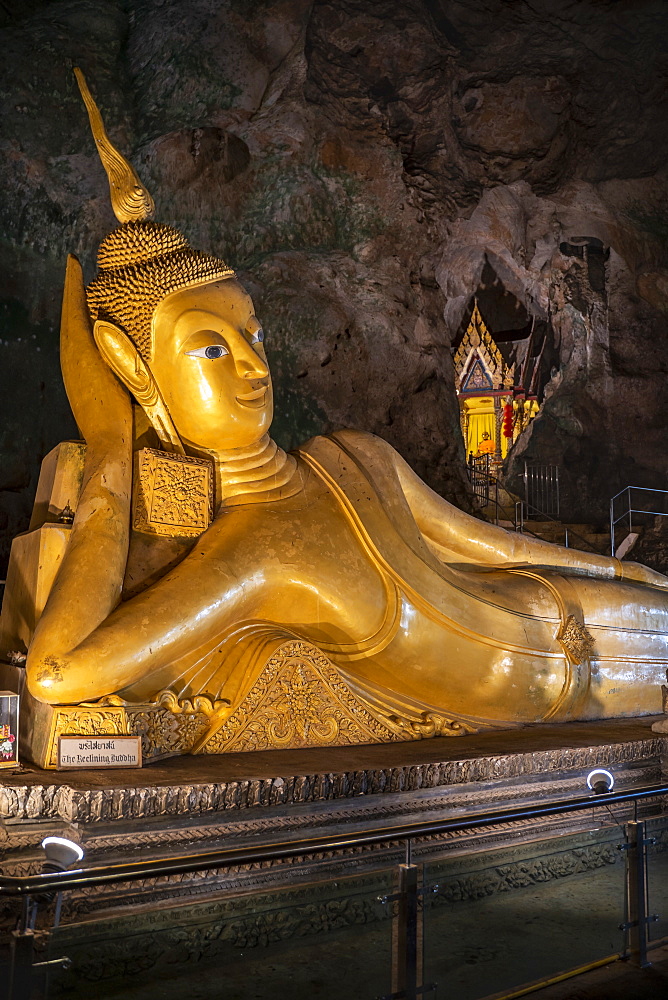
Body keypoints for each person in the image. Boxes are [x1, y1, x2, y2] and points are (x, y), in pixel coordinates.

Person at [21, 73, 668, 736]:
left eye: (255, 335)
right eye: (211, 351)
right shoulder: (252, 553)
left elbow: (492, 547)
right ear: (137, 369)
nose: (252, 365)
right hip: (540, 691)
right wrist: (109, 445)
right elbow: (57, 672)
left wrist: (627, 570)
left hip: (555, 608)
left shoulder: (353, 458)